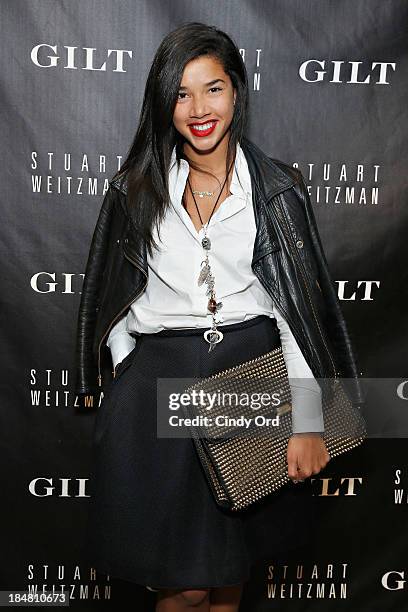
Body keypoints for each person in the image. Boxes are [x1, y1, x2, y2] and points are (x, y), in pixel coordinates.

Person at [75, 22, 363, 612]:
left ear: (237, 92)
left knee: (229, 578)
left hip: (250, 382)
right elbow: (111, 302)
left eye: (213, 89)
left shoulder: (277, 188)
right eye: (181, 93)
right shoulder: (135, 190)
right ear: (163, 102)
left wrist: (307, 420)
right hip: (159, 392)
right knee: (182, 588)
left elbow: (297, 313)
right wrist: (133, 379)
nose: (199, 108)